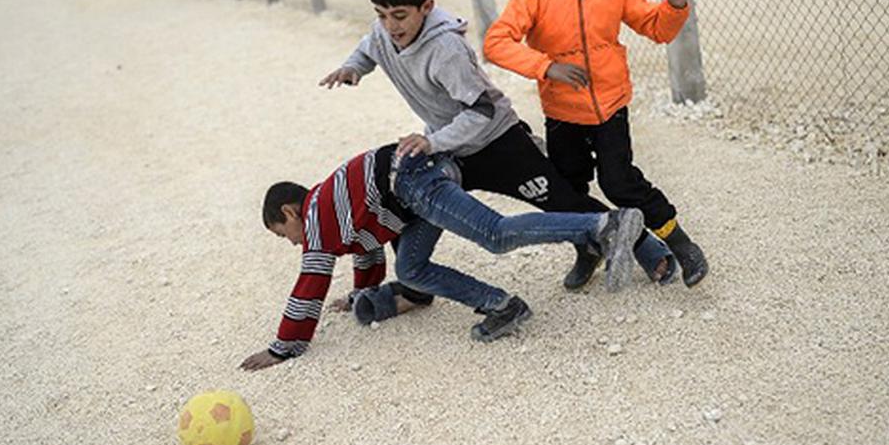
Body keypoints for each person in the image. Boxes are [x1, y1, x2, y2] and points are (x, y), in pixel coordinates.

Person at [318, 0, 676, 290]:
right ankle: (413, 287)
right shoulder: (382, 32)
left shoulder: (446, 51)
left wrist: (434, 142)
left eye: (398, 15)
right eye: (381, 15)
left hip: (498, 142)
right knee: (419, 202)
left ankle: (649, 250)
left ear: (426, 7)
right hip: (452, 150)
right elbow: (369, 46)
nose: (389, 25)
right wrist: (354, 68)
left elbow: (483, 111)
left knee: (563, 201)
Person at [239, 144, 644, 370]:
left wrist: (283, 347)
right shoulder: (331, 209)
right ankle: (503, 306)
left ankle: (602, 226)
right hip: (412, 188)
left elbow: (309, 285)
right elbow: (367, 252)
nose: (293, 242)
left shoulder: (317, 218)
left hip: (416, 181)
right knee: (410, 268)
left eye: (284, 234)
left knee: (496, 234)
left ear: (291, 212)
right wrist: (361, 294)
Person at [484, 0, 709, 286]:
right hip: (562, 113)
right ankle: (587, 250)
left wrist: (673, 7)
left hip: (610, 109)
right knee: (568, 191)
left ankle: (679, 242)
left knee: (620, 183)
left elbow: (656, 29)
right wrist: (546, 67)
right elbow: (496, 42)